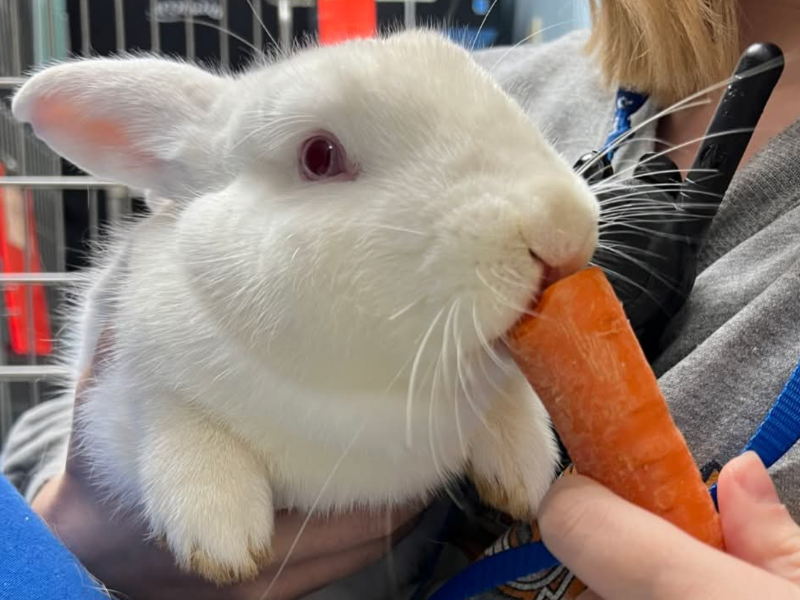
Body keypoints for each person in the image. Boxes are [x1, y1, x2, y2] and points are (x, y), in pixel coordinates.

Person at [2, 0, 799, 598]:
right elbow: (57, 430)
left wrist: (496, 400)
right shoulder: (511, 75)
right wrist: (83, 528)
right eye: (321, 156)